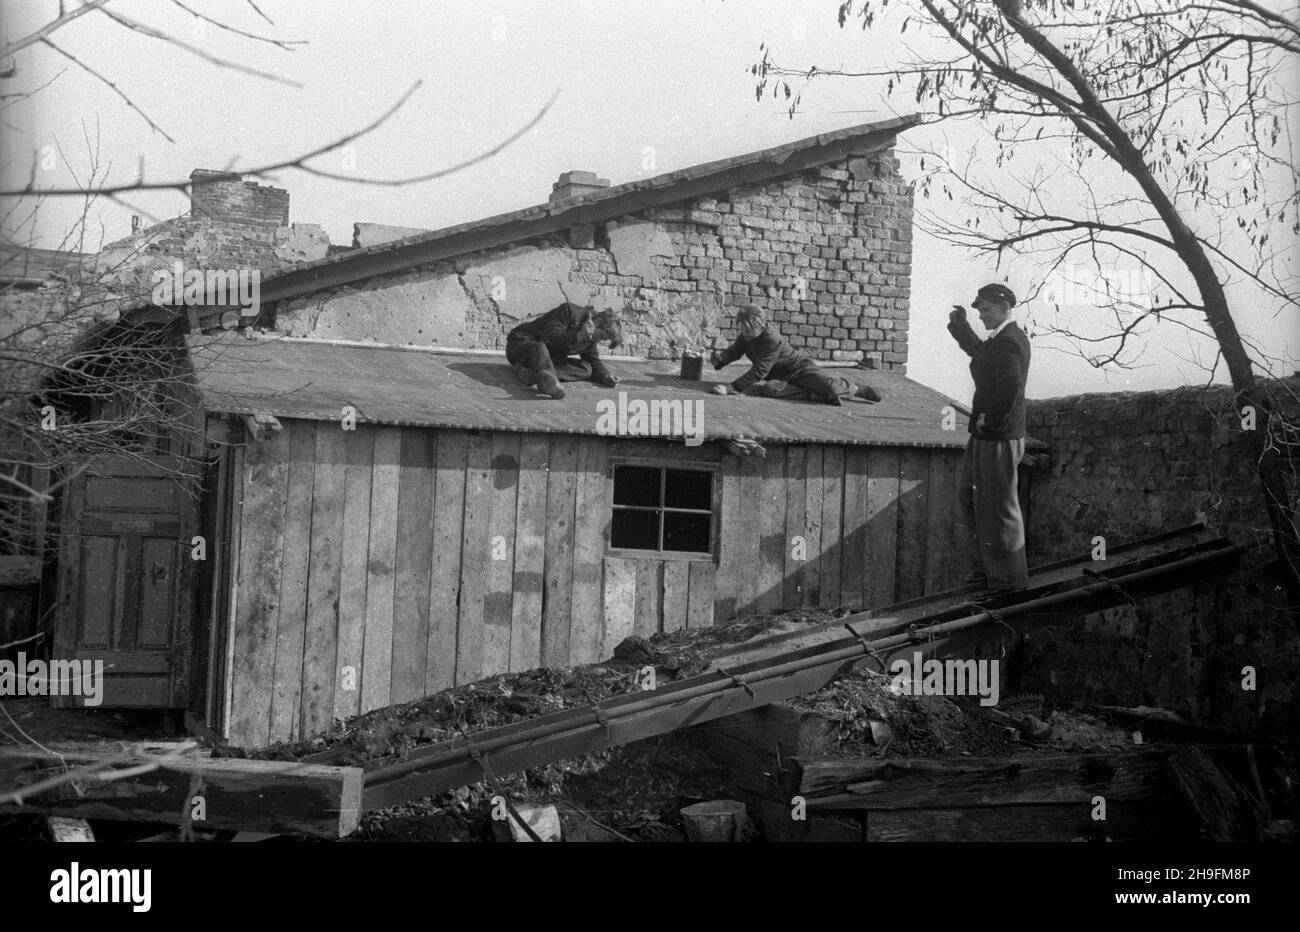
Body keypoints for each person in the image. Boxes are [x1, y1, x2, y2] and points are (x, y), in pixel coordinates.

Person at [947, 283, 1032, 592]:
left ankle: (1009, 582)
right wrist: (961, 329)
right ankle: (986, 572)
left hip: (998, 435)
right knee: (970, 497)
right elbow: (981, 355)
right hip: (985, 434)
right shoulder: (999, 340)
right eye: (979, 311)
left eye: (986, 310)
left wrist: (991, 419)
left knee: (999, 507)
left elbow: (1011, 387)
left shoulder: (1010, 341)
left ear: (1005, 308)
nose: (981, 315)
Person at [708, 305, 880, 405]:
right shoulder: (747, 335)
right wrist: (720, 359)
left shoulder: (772, 339)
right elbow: (735, 351)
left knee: (831, 388)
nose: (744, 332)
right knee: (769, 389)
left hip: (800, 370)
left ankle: (856, 388)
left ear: (761, 325)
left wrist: (731, 388)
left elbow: (760, 371)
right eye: (742, 328)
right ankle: (814, 393)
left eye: (749, 328)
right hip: (781, 378)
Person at [506, 302, 622, 399]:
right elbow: (550, 336)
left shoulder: (590, 337)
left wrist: (605, 377)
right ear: (598, 323)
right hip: (520, 345)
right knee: (540, 347)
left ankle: (532, 375)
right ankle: (551, 383)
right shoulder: (569, 311)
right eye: (602, 337)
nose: (599, 341)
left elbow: (592, 360)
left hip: (544, 359)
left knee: (586, 368)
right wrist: (579, 334)